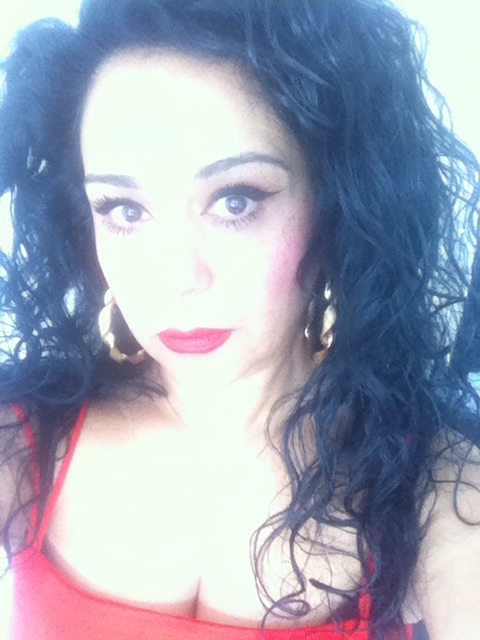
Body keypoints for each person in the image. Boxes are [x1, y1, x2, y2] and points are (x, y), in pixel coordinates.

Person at [0, 0, 479, 638]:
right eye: (123, 209)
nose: (176, 277)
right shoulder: (24, 441)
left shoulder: (435, 490)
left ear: (338, 206)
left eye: (235, 201)